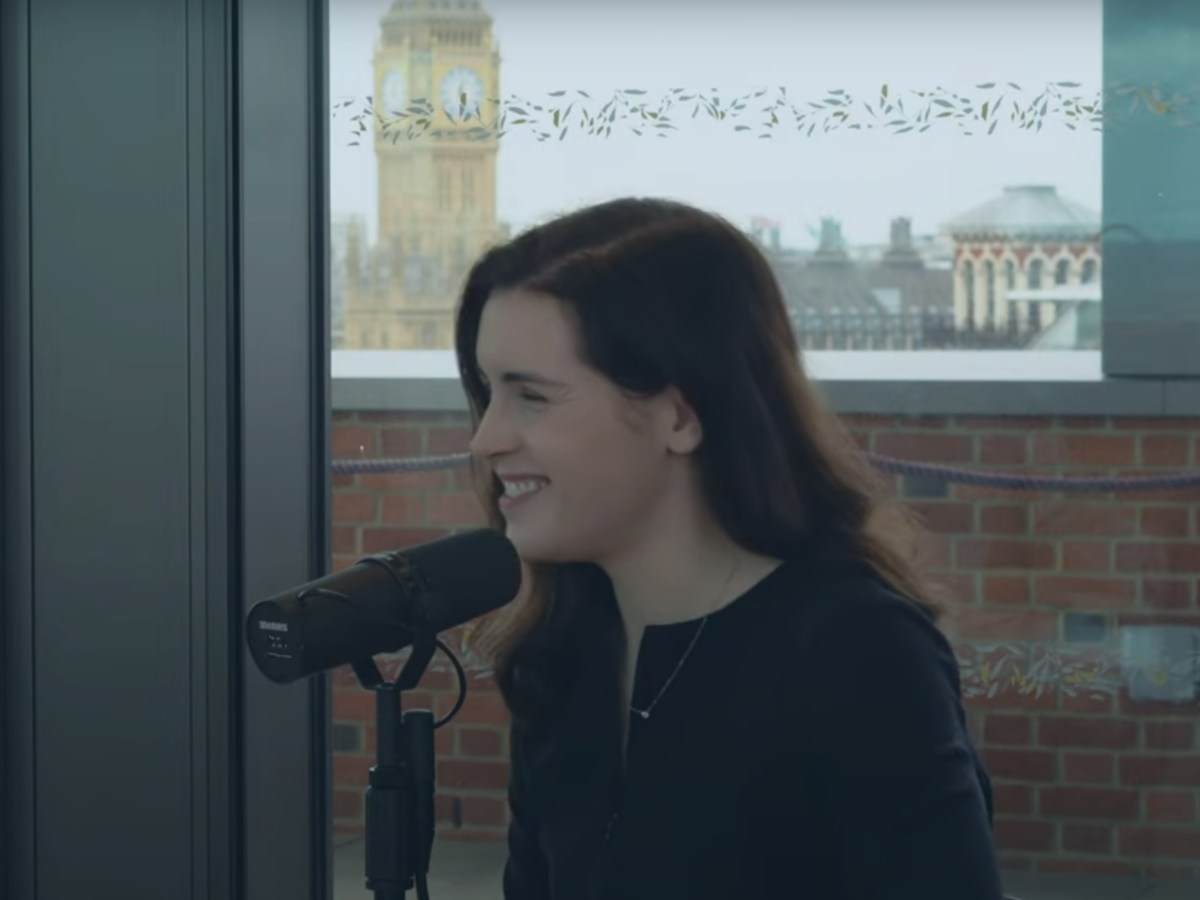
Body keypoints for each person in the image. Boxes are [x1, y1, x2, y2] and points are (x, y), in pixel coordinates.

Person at [454, 197, 1004, 900]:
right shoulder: (562, 654)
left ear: (680, 416)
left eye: (531, 396)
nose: (486, 439)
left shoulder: (855, 649)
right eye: (486, 392)